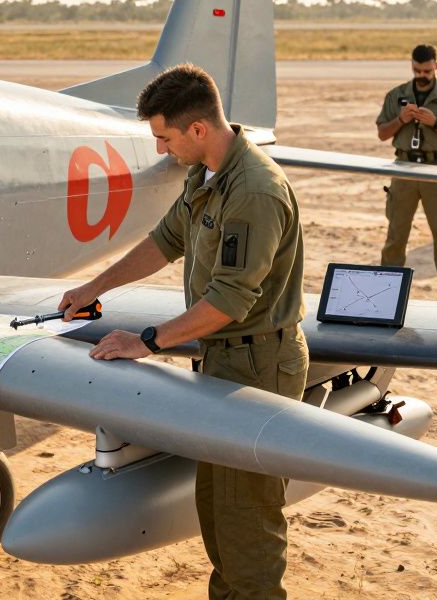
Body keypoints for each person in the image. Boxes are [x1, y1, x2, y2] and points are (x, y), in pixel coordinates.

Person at [58, 63, 308, 599]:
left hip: (257, 363)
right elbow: (164, 241)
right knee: (217, 512)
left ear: (197, 130)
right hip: (222, 360)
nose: (158, 151)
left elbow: (229, 302)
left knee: (247, 522)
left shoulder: (255, 191)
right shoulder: (206, 173)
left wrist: (144, 342)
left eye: (163, 138)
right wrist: (94, 288)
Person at [375, 44, 437, 301]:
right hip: (403, 169)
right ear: (412, 67)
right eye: (417, 70)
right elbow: (383, 133)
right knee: (396, 235)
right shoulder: (396, 95)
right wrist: (402, 119)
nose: (422, 75)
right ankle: (387, 295)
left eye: (427, 70)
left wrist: (435, 123)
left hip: (436, 170)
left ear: (436, 66)